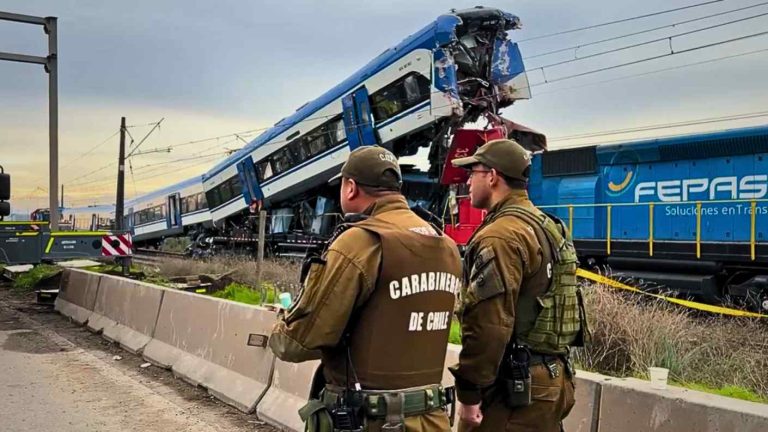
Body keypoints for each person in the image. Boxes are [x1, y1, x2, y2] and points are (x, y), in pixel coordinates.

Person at [270, 146, 463, 432]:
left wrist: (280, 325)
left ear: (350, 188)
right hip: (431, 419)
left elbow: (297, 343)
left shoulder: (360, 242)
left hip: (369, 420)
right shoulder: (445, 245)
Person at [448, 139, 590, 432]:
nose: (468, 182)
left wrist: (470, 395)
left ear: (492, 176)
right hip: (553, 378)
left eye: (473, 172)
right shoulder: (548, 225)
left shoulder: (500, 237)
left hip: (515, 391)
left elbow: (488, 324)